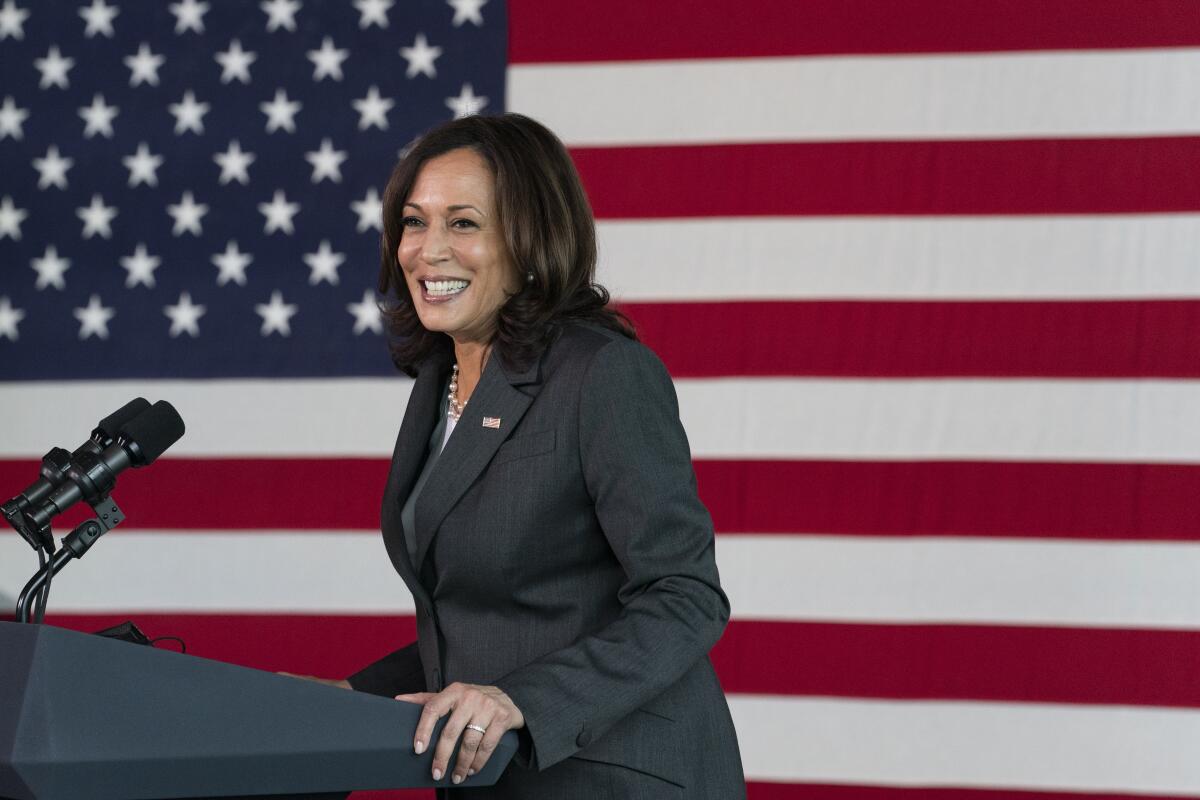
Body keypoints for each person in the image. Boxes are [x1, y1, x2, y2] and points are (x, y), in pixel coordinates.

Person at [314, 112, 744, 798]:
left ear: (530, 238)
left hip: (612, 774)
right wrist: (348, 697)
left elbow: (685, 596)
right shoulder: (440, 383)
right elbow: (491, 623)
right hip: (500, 777)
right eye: (414, 222)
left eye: (463, 223)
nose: (427, 250)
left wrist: (520, 702)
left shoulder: (602, 374)